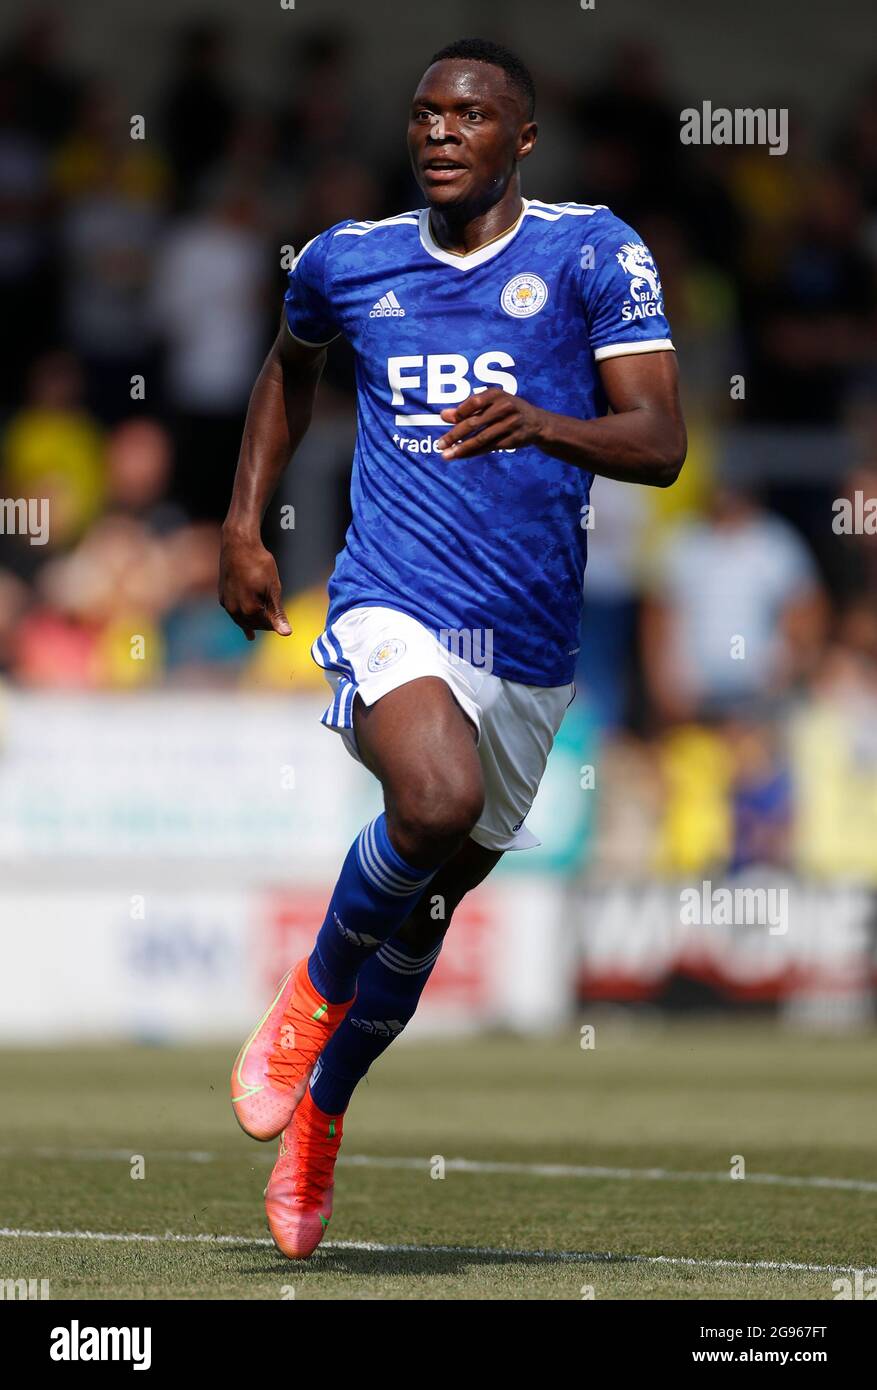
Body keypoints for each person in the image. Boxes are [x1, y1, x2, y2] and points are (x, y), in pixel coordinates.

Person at [218, 37, 685, 1259]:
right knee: (432, 799)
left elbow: (660, 439)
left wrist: (542, 420)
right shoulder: (349, 260)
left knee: (428, 912)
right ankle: (305, 998)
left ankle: (323, 1111)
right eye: (424, 113)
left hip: (530, 640)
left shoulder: (591, 253)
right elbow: (287, 369)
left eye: (469, 116)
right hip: (392, 599)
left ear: (520, 138)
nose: (438, 132)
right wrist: (243, 525)